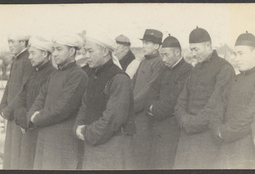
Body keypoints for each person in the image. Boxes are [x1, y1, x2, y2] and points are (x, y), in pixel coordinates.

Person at [174, 27, 235, 169]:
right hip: (186, 138)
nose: (193, 54)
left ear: (208, 45)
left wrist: (189, 123)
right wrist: (184, 120)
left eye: (196, 49)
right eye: (191, 50)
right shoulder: (195, 69)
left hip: (206, 140)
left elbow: (215, 107)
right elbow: (180, 101)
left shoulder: (224, 68)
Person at [26, 31, 88, 170]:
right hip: (44, 137)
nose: (54, 54)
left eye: (59, 49)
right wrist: (31, 114)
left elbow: (63, 108)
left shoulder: (78, 76)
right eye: (53, 49)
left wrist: (36, 118)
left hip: (62, 142)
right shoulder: (54, 74)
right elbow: (40, 98)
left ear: (72, 51)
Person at [74, 34, 135, 170]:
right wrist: (79, 126)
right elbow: (85, 106)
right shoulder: (94, 74)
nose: (86, 55)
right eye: (85, 51)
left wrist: (86, 132)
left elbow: (113, 119)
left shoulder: (119, 79)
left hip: (111, 148)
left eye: (90, 51)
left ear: (105, 52)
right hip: (93, 144)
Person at [214, 32, 255, 169]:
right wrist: (217, 129)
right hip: (225, 143)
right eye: (234, 54)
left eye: (241, 54)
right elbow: (219, 105)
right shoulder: (235, 78)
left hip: (246, 147)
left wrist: (224, 131)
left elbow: (251, 112)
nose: (236, 59)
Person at [3, 36, 56, 169]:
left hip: (37, 129)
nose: (30, 56)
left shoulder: (52, 74)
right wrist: (22, 118)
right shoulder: (33, 72)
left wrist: (27, 120)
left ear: (44, 54)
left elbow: (44, 104)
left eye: (33, 53)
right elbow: (21, 96)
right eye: (29, 53)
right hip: (26, 127)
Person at [146, 35, 192, 169]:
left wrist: (152, 109)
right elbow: (151, 91)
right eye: (162, 55)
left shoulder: (187, 70)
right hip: (157, 126)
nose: (163, 59)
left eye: (166, 55)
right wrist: (153, 107)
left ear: (177, 52)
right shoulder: (163, 69)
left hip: (172, 130)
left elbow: (173, 100)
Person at [0, 32, 33, 169]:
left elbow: (23, 90)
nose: (10, 45)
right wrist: (2, 106)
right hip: (11, 114)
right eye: (9, 41)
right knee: (11, 153)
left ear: (23, 42)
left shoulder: (27, 61)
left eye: (13, 41)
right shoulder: (17, 60)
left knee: (18, 154)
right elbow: (9, 87)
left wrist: (9, 109)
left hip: (18, 114)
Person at [130, 29, 164, 169]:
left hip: (144, 116)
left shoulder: (159, 63)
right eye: (143, 42)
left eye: (147, 43)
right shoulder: (144, 61)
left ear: (156, 46)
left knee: (142, 156)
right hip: (134, 113)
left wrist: (130, 106)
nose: (143, 46)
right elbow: (132, 83)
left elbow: (149, 90)